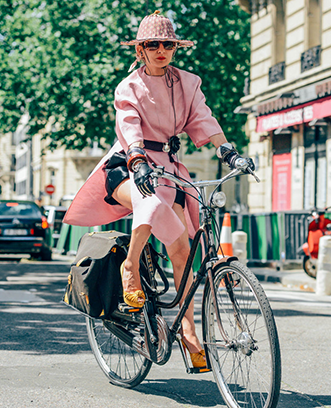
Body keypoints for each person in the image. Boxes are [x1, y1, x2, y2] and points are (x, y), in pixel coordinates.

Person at [63, 11, 254, 370]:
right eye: (153, 44)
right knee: (148, 202)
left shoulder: (188, 83)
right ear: (141, 50)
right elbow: (129, 125)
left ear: (175, 48)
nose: (161, 50)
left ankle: (187, 331)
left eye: (168, 44)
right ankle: (130, 267)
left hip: (169, 169)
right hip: (127, 166)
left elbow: (203, 118)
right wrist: (137, 159)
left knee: (183, 251)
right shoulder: (129, 87)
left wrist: (226, 149)